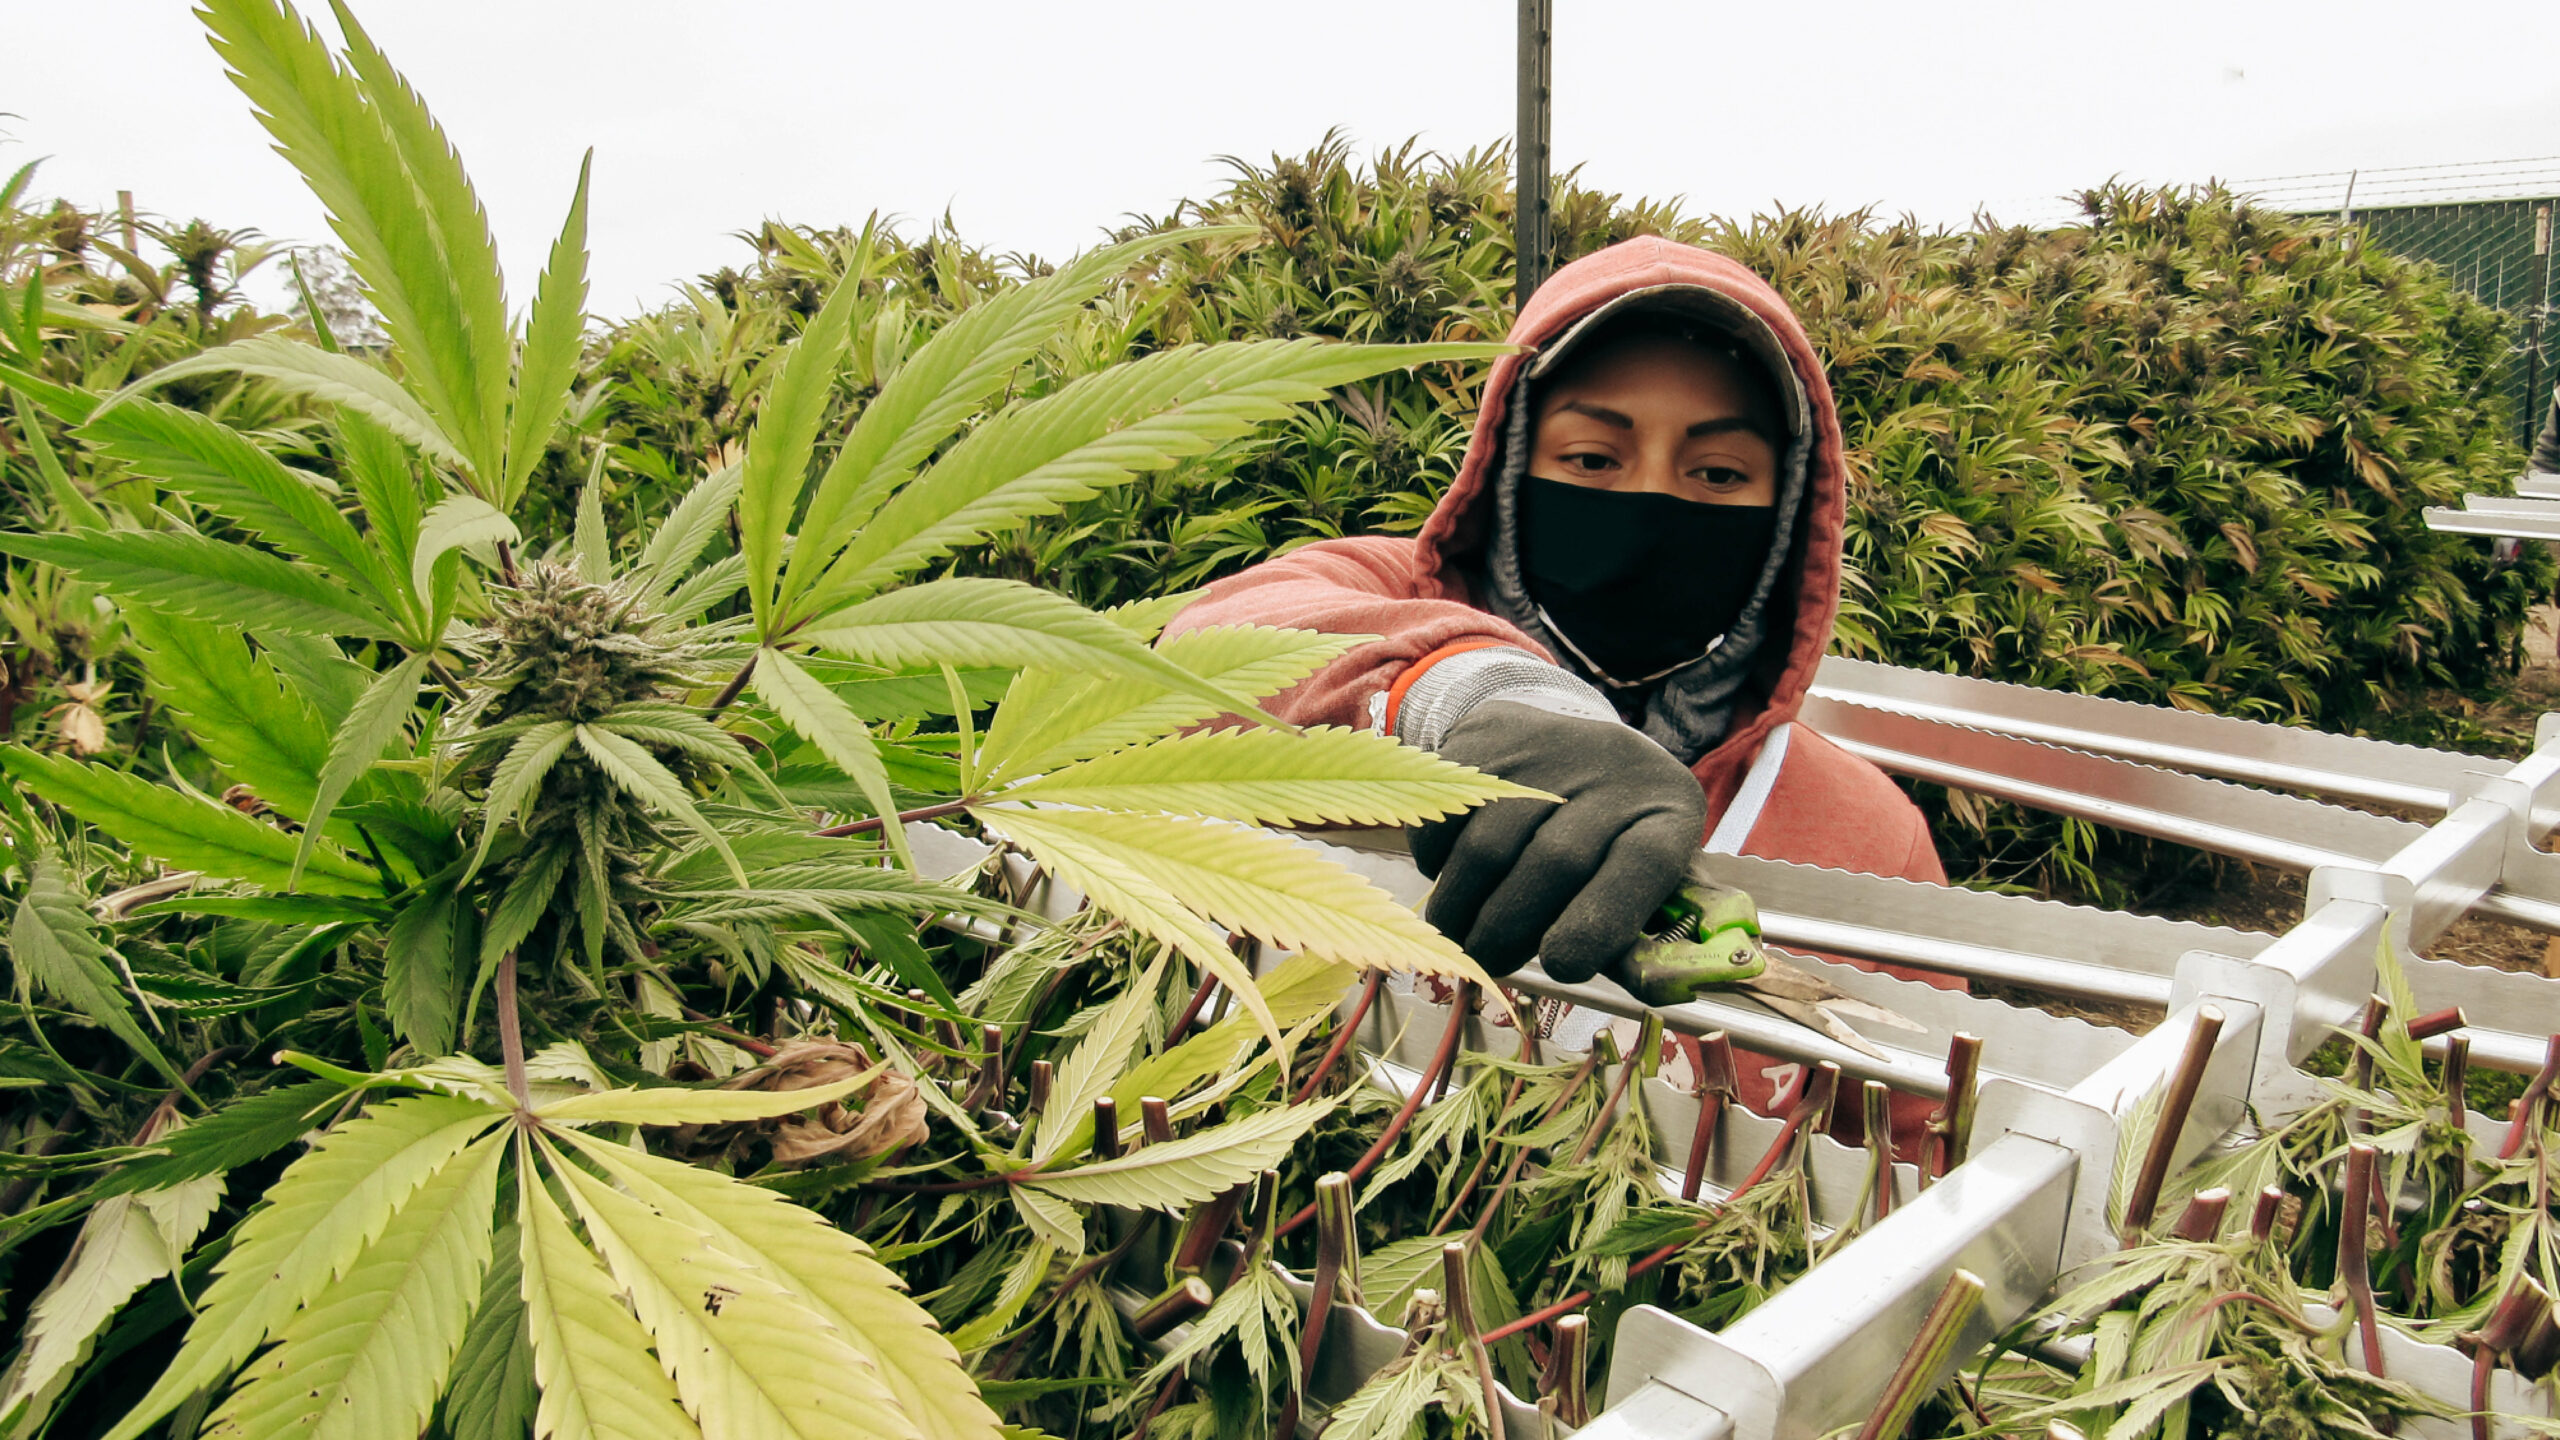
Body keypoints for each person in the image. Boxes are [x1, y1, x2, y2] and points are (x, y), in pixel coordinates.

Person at [1164, 235, 1965, 1141]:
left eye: (1718, 475)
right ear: (1508, 471)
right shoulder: (1390, 596)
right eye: (1592, 459)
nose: (1653, 506)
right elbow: (1210, 645)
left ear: (1784, 516)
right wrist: (1480, 701)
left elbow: (1911, 1138)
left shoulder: (1864, 828)